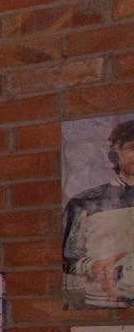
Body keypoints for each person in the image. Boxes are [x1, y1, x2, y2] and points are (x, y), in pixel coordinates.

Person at [63, 117, 134, 306]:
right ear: (115, 153)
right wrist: (94, 266)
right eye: (133, 147)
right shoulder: (84, 202)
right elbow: (68, 258)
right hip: (103, 305)